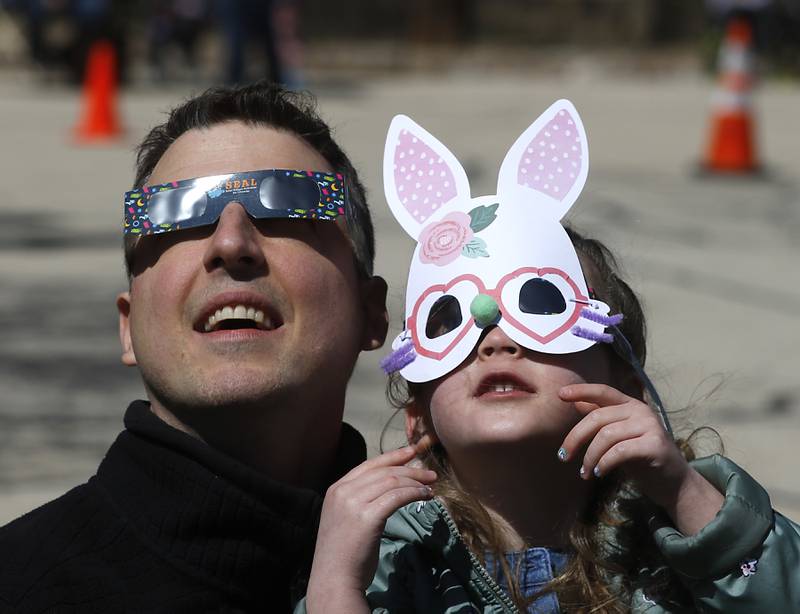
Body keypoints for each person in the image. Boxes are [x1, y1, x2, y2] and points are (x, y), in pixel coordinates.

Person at [301, 101, 800, 613]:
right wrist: (335, 586)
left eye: (540, 306)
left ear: (624, 389)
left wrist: (688, 498)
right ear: (418, 419)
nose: (496, 342)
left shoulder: (673, 545)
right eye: (449, 323)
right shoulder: (390, 569)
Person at [0, 81, 389, 613]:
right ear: (128, 323)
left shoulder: (468, 578)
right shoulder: (19, 587)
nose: (231, 243)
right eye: (176, 214)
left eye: (286, 204)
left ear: (372, 313)